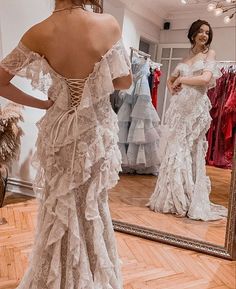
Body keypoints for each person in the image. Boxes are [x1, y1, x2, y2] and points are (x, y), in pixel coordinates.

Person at [0, 0, 132, 288]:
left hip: (58, 134)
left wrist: (43, 103)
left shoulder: (39, 31)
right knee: (92, 204)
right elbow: (124, 82)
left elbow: (0, 80)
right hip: (92, 134)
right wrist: (95, 80)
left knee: (56, 204)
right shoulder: (107, 24)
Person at [147, 19, 227, 221]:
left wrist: (181, 80)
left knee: (189, 150)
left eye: (207, 33)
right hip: (179, 108)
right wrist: (171, 85)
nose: (204, 35)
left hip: (195, 109)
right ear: (192, 34)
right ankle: (171, 197)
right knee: (175, 148)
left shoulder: (210, 54)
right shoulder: (185, 58)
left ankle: (188, 197)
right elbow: (170, 79)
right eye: (200, 31)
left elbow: (205, 79)